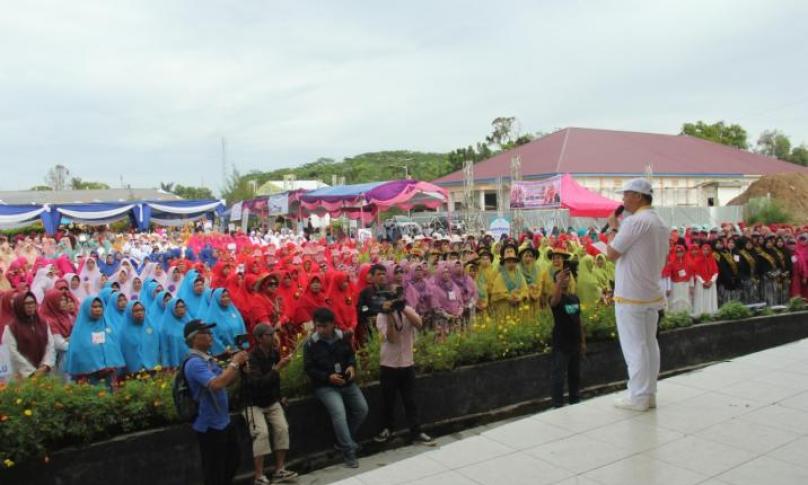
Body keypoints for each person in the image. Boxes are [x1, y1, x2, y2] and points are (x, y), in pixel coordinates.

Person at [606, 178, 669, 411]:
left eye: (626, 195)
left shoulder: (634, 222)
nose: (622, 199)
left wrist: (613, 227)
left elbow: (612, 253)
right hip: (651, 291)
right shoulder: (660, 222)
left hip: (631, 293)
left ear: (639, 197)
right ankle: (649, 392)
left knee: (635, 347)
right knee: (649, 344)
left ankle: (639, 396)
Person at [183, 319, 249, 485]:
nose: (210, 336)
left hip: (223, 420)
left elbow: (226, 380)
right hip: (209, 425)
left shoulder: (208, 360)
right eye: (205, 333)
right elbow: (216, 384)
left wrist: (240, 368)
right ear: (194, 338)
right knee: (214, 470)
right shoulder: (194, 363)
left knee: (233, 460)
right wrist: (234, 363)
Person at [303, 307, 368, 468]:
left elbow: (351, 355)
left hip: (346, 382)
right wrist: (327, 377)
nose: (321, 329)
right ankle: (349, 452)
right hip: (325, 386)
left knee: (362, 409)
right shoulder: (311, 344)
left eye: (324, 326)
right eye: (318, 326)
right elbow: (309, 368)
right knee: (339, 413)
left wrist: (352, 367)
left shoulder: (342, 338)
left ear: (332, 324)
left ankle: (344, 441)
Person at [372, 291, 434, 445]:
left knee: (411, 401)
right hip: (389, 365)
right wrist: (389, 314)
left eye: (395, 300)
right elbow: (392, 338)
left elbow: (419, 325)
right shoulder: (381, 317)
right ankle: (387, 429)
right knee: (388, 401)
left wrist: (403, 308)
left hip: (407, 363)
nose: (393, 303)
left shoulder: (407, 309)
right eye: (390, 301)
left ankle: (416, 432)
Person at [242, 324, 297, 485]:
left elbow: (275, 381)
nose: (273, 337)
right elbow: (258, 384)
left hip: (271, 399)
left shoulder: (274, 353)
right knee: (261, 433)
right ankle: (258, 475)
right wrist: (277, 369)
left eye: (273, 334)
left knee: (282, 428)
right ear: (259, 339)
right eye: (269, 335)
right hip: (253, 402)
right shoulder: (251, 358)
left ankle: (280, 469)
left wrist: (280, 397)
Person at [549, 267, 585, 407]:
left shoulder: (575, 298)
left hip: (575, 343)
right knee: (559, 375)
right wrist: (558, 283)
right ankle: (558, 404)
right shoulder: (555, 298)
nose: (564, 279)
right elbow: (554, 302)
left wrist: (582, 341)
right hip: (561, 344)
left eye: (566, 277)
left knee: (574, 375)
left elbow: (579, 320)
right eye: (561, 277)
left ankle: (575, 401)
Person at [2, 292, 55, 380]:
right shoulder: (11, 328)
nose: (30, 306)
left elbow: (50, 345)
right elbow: (12, 352)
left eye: (32, 303)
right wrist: (32, 372)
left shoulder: (43, 324)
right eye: (26, 304)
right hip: (23, 375)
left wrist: (45, 365)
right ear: (19, 306)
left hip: (43, 372)